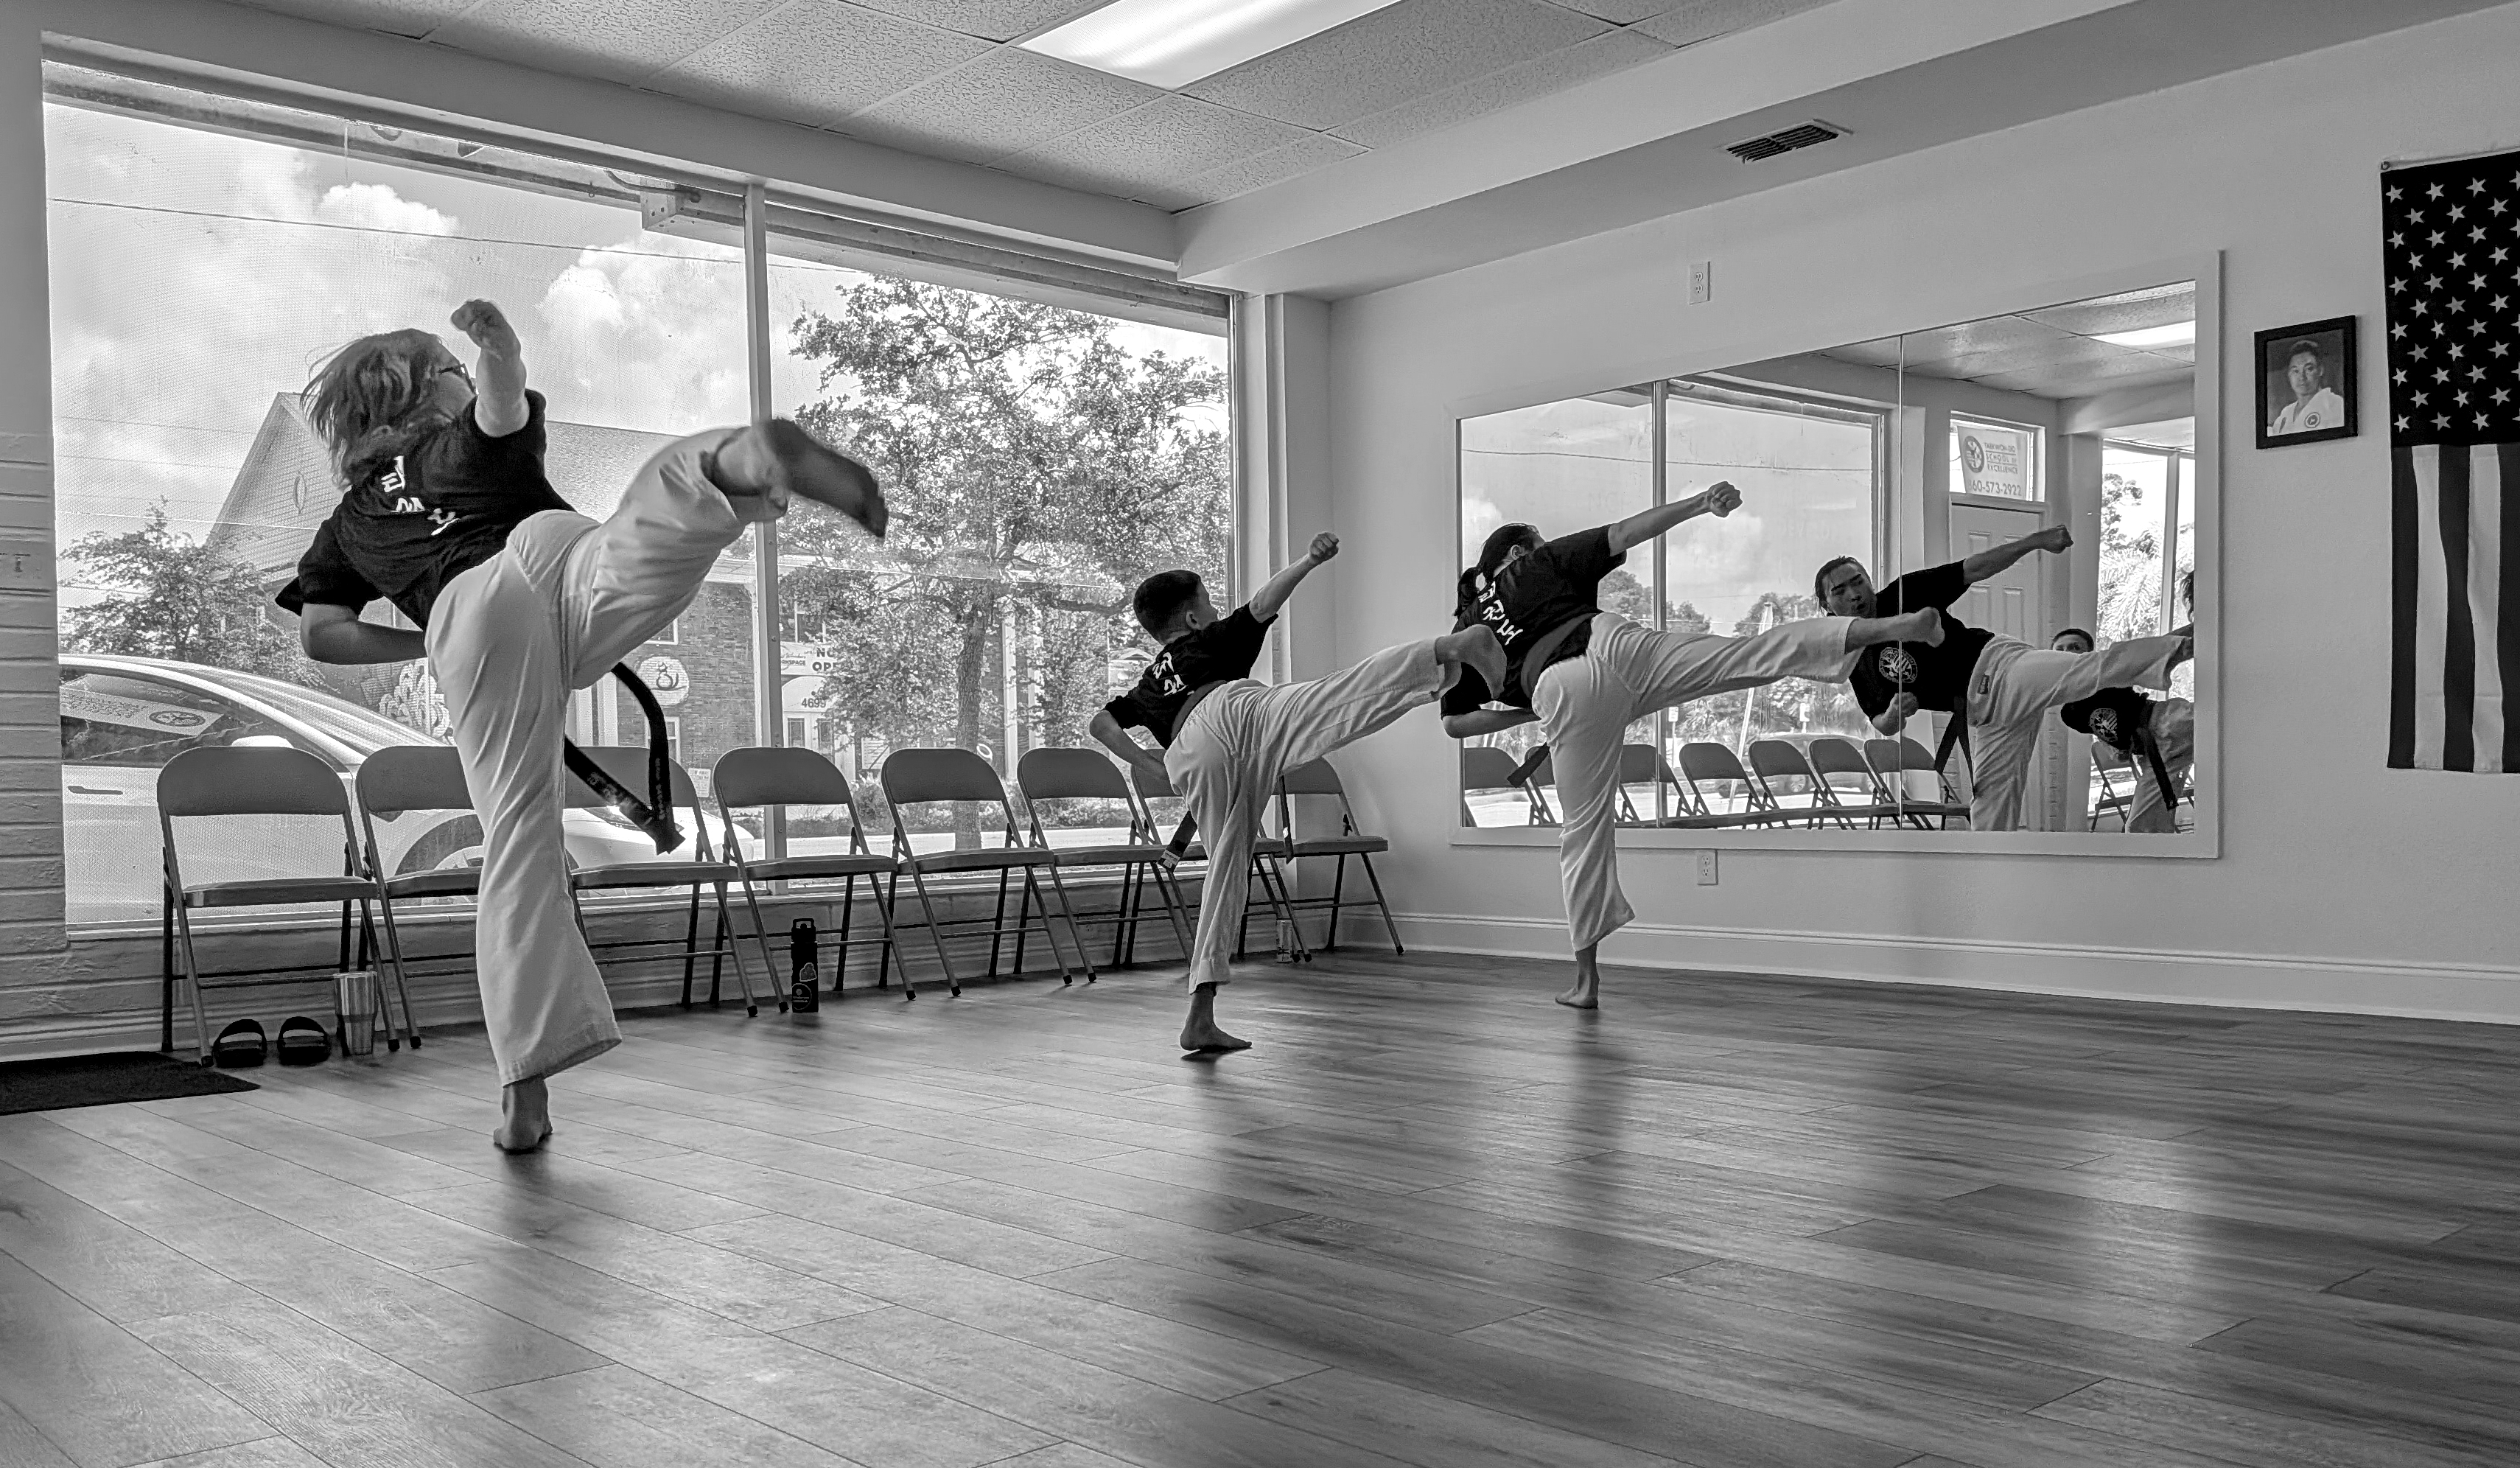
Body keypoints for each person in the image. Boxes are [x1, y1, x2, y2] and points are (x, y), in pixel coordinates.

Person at [280, 300, 887, 1153]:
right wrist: (502, 350)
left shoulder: (345, 525)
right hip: (556, 550)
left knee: (519, 845)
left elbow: (324, 634)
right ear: (423, 398)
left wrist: (435, 640)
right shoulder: (458, 443)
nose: (463, 375)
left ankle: (525, 1089)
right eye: (447, 368)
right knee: (651, 527)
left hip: (470, 616)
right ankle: (736, 465)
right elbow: (499, 405)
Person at [1440, 485, 1942, 1010]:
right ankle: (1884, 628)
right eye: (1536, 541)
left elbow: (1454, 724)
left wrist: (1528, 708)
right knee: (1746, 655)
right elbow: (1626, 531)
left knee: (1583, 833)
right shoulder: (1534, 566)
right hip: (1616, 643)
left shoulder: (1465, 628)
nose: (1544, 544)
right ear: (1517, 553)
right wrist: (1700, 504)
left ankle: (1586, 982)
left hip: (1564, 689)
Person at [1088, 534, 1505, 1053]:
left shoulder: (1147, 682)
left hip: (1189, 754)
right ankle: (1443, 651)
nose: (1217, 610)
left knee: (1226, 869)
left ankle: (1201, 1014)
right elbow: (1264, 604)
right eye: (1209, 604)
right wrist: (1308, 561)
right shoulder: (1208, 641)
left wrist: (1151, 763)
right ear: (1194, 619)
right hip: (1233, 712)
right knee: (1334, 698)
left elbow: (1100, 725)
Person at [1816, 532, 2188, 832]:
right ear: (1827, 606)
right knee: (1990, 811)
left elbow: (1972, 569)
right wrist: (1896, 713)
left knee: (2090, 669)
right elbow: (1881, 723)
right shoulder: (1854, 658)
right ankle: (1993, 890)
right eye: (1840, 591)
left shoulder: (1903, 594)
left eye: (1859, 581)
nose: (1854, 594)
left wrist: (2035, 541)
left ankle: (2185, 644)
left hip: (2001, 667)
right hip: (1986, 714)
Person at [2051, 626, 2195, 834]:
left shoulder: (2106, 674)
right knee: (2139, 828)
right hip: (2155, 756)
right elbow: (2106, 734)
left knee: (2234, 722)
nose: (2068, 652)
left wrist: (2197, 623)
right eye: (2060, 649)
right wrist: (2120, 748)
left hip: (2168, 722)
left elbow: (2153, 651)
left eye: (2076, 647)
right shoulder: (2070, 714)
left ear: (2090, 655)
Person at [2269, 338, 2345, 436]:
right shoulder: (2285, 415)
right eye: (2295, 371)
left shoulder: (2335, 405)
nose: (2302, 377)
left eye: (2309, 369)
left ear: (2320, 370)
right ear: (2289, 374)